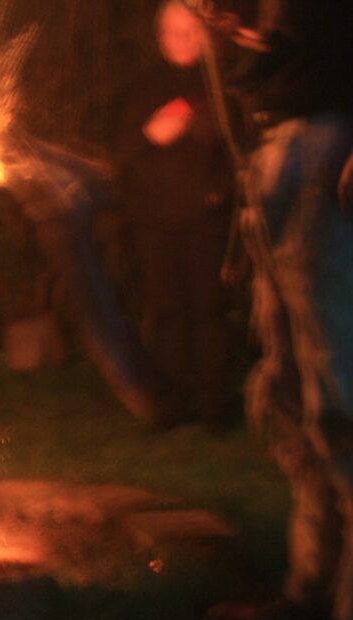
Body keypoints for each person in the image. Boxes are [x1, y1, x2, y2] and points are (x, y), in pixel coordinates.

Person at [199, 0, 353, 620]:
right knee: (291, 397)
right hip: (279, 143)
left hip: (333, 146)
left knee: (341, 397)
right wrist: (243, 24)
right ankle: (308, 597)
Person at [113, 0, 237, 427]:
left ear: (205, 35)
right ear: (160, 36)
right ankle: (173, 402)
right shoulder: (143, 86)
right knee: (167, 313)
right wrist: (151, 132)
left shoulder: (220, 84)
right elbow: (122, 150)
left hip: (205, 221)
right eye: (173, 32)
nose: (181, 40)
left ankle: (215, 405)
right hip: (153, 220)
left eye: (190, 31)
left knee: (208, 311)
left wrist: (217, 192)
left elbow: (236, 150)